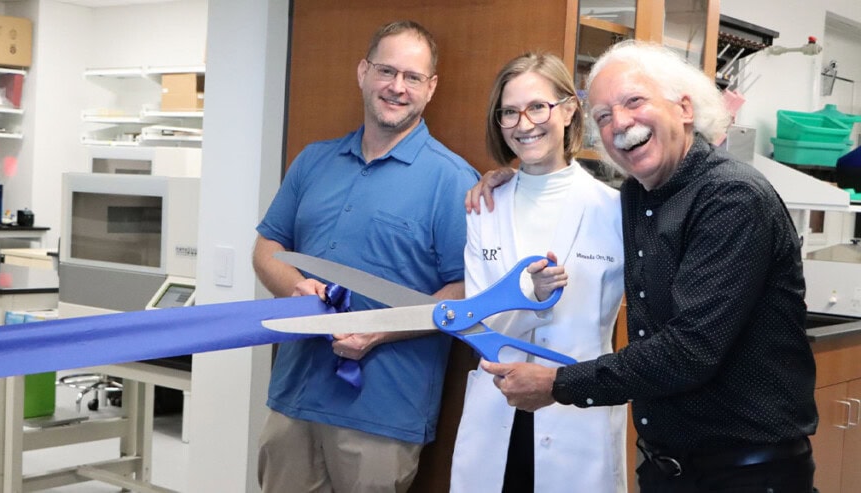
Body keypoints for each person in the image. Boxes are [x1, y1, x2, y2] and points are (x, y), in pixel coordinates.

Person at [468, 39, 818, 492]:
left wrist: (559, 383)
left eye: (634, 101)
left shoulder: (730, 197)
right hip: (667, 466)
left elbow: (689, 350)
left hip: (745, 472)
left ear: (685, 108)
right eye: (604, 116)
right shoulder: (638, 197)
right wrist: (506, 179)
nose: (620, 123)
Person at [253, 20, 478, 493]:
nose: (397, 87)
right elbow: (267, 248)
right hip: (293, 397)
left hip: (384, 413)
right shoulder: (313, 161)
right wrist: (294, 288)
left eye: (413, 77)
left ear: (431, 87)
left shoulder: (452, 180)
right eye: (386, 71)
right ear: (363, 72)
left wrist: (379, 330)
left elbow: (466, 292)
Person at [449, 53, 626, 493]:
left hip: (577, 420)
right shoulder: (484, 207)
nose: (523, 123)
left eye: (537, 107)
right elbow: (475, 324)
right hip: (495, 413)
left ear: (568, 110)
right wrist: (529, 297)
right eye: (509, 112)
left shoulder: (614, 211)